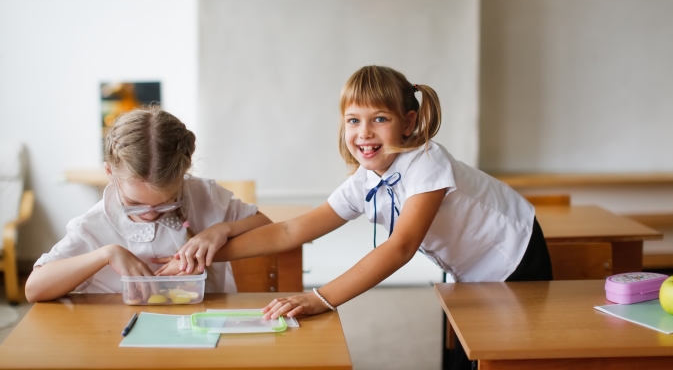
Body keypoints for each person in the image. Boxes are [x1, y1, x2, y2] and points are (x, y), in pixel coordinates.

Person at [170, 65, 553, 319]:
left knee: (501, 347)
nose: (364, 132)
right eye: (353, 120)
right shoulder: (365, 181)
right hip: (467, 267)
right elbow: (290, 231)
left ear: (409, 123)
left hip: (513, 252)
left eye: (379, 119)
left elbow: (400, 247)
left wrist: (320, 298)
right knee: (462, 344)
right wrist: (206, 256)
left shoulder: (427, 162)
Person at [24, 107, 271, 303]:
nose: (151, 214)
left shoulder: (203, 194)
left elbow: (266, 226)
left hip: (202, 324)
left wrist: (221, 230)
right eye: (135, 203)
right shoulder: (93, 225)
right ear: (110, 172)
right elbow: (34, 289)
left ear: (183, 175)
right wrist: (106, 254)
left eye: (166, 203)